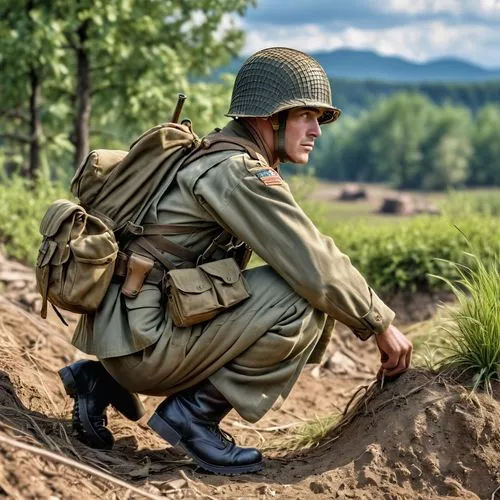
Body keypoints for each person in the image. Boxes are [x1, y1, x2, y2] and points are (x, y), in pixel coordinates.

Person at [58, 47, 412, 475]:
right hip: (144, 344)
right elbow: (314, 261)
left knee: (286, 288)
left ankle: (101, 382)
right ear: (269, 118)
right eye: (305, 116)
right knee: (301, 297)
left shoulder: (213, 152)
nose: (317, 130)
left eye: (320, 119)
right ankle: (194, 417)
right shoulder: (237, 172)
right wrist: (380, 323)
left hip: (124, 336)